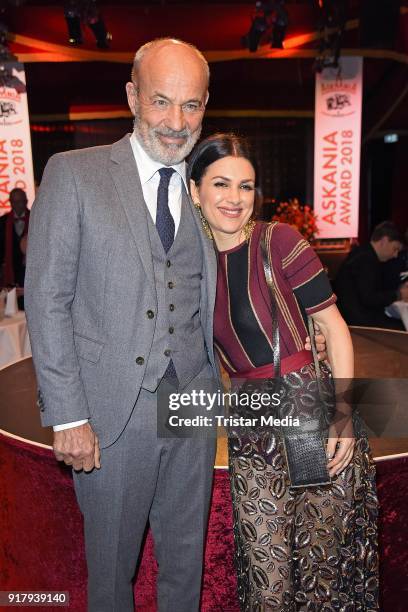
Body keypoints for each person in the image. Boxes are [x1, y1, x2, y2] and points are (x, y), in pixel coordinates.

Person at [25, 38, 326, 611]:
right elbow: (47, 299)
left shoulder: (206, 187)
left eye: (191, 105)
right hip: (111, 414)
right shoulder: (74, 174)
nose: (175, 120)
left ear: (205, 106)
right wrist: (68, 416)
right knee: (112, 573)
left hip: (195, 406)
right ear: (132, 96)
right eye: (162, 101)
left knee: (185, 563)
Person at [188, 133, 379, 610]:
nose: (235, 199)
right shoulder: (188, 263)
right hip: (249, 423)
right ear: (194, 190)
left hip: (306, 413)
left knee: (318, 572)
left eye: (246, 186)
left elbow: (333, 328)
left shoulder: (279, 241)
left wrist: (342, 416)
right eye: (221, 184)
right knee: (266, 574)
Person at [334, 221, 408, 330]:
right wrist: (398, 295)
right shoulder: (366, 260)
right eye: (395, 248)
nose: (395, 255)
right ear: (384, 241)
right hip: (358, 322)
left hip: (355, 318)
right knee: (400, 329)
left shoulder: (364, 254)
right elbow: (369, 298)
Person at [0, 188, 30, 288]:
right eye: (16, 202)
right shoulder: (2, 222)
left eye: (22, 201)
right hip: (10, 271)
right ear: (11, 202)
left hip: (29, 271)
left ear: (26, 201)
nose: (20, 205)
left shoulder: (35, 219)